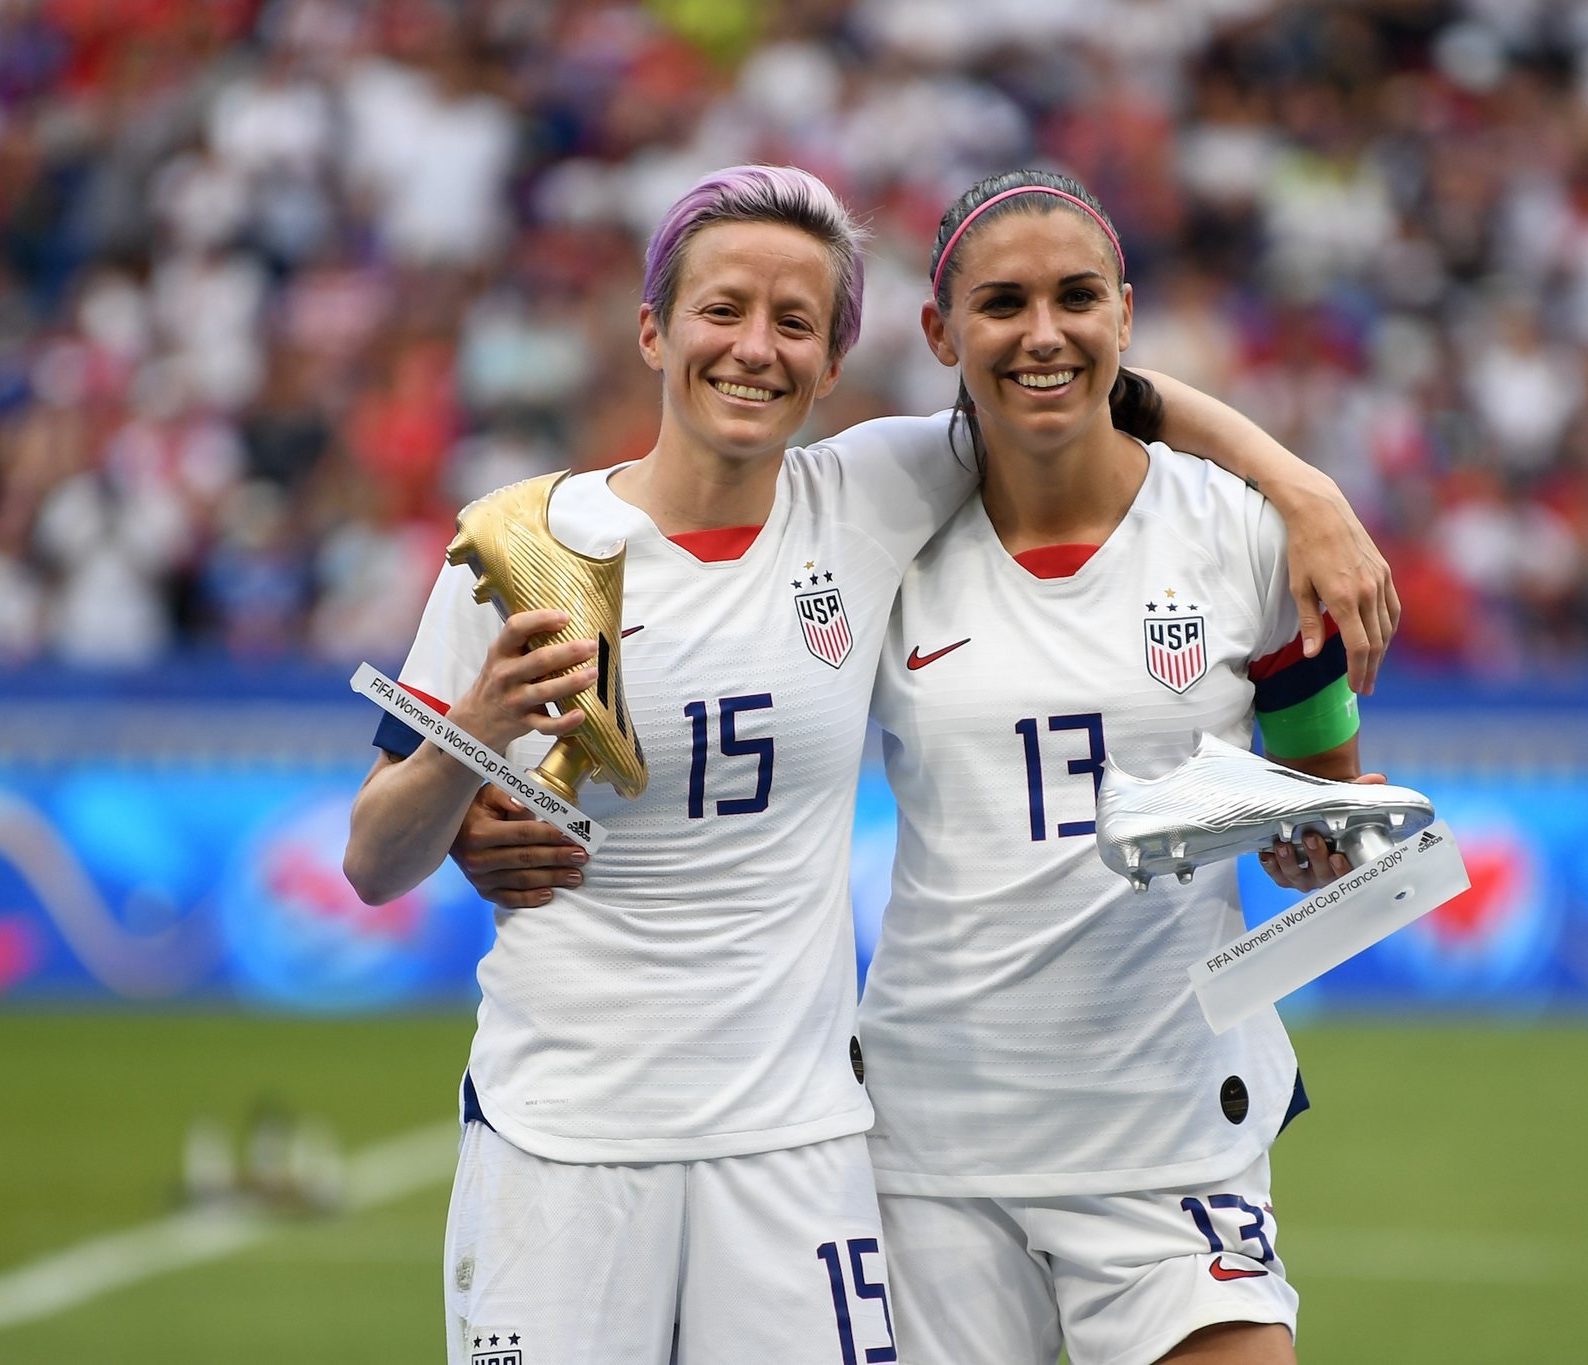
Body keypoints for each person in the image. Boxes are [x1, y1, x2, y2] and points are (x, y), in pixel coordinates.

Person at [345, 165, 1393, 1365]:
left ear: (833, 361)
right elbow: (376, 857)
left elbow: (1084, 389)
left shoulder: (887, 496)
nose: (754, 349)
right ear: (651, 329)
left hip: (855, 1146)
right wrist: (469, 757)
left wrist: (1304, 490)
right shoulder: (531, 544)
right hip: (642, 1128)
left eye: (794, 323)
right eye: (722, 312)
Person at [856, 170, 1385, 1365]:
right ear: (940, 332)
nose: (1042, 334)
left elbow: (1327, 805)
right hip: (932, 1145)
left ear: (1124, 315)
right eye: (1000, 304)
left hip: (1171, 1133)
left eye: (1074, 297)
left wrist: (1315, 840)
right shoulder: (876, 530)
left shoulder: (1245, 537)